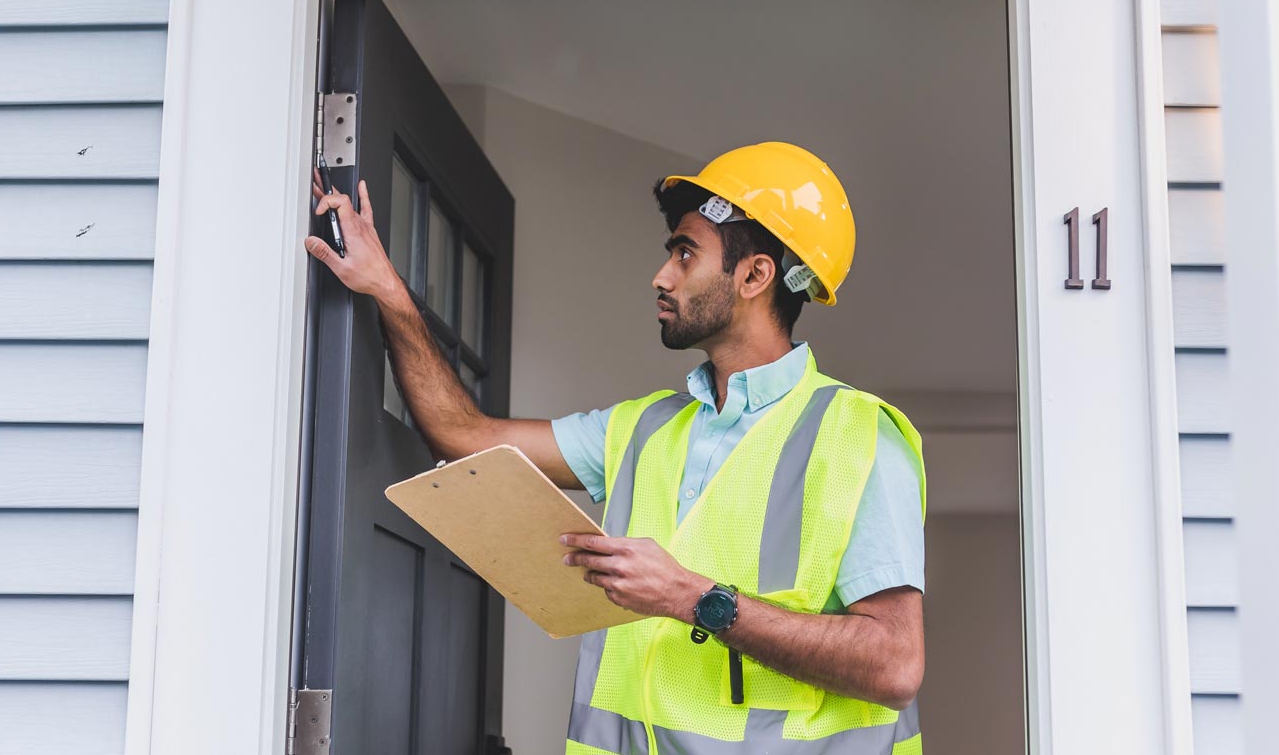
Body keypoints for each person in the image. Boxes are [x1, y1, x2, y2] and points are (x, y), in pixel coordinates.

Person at [306, 141, 926, 754]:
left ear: (755, 276)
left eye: (686, 254)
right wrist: (387, 290)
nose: (662, 276)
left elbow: (895, 665)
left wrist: (691, 598)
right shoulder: (643, 429)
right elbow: (464, 436)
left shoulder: (859, 438)